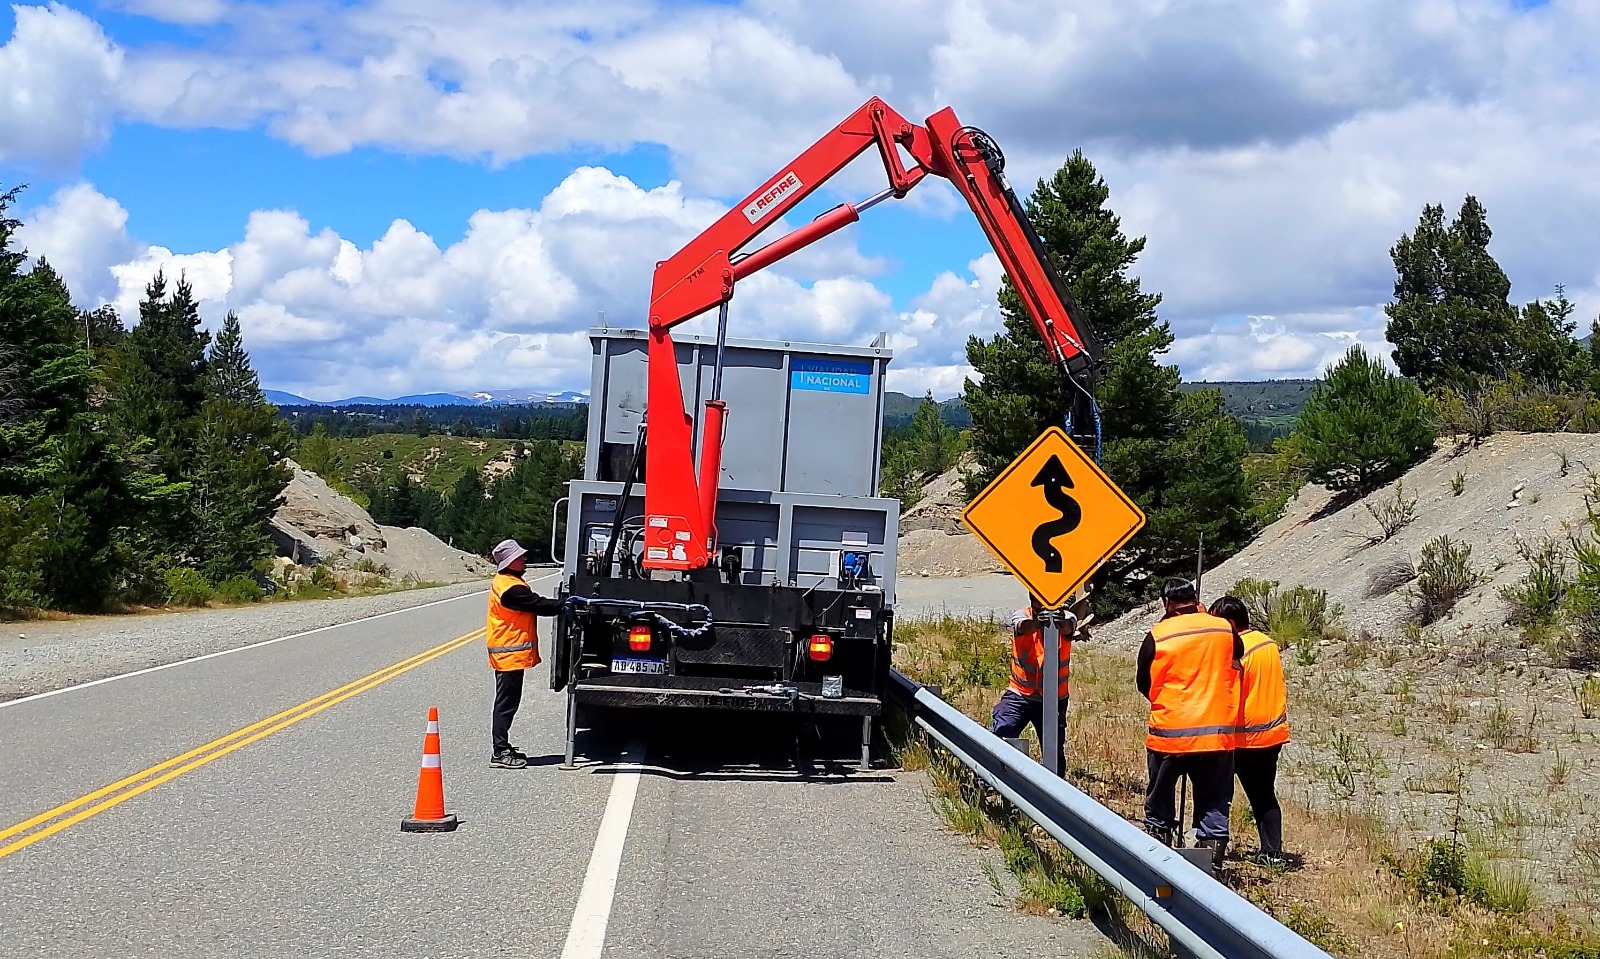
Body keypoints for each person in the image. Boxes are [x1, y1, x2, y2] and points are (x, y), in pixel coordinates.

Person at [1137, 578, 1243, 865]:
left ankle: (1158, 857)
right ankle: (1212, 866)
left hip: (1169, 734)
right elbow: (1237, 657)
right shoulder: (1223, 627)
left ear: (1167, 603)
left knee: (1159, 804)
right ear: (1196, 600)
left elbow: (1143, 683)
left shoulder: (1158, 634)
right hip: (1215, 736)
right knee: (1215, 803)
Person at [1209, 595, 1290, 860]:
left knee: (1218, 794)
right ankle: (1272, 853)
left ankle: (1213, 849)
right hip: (1272, 734)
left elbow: (1228, 693)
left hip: (1244, 738)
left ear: (1231, 623)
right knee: (1264, 796)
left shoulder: (1239, 651)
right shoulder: (1267, 643)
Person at [486, 539, 563, 769]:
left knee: (508, 701)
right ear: (510, 561)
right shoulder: (510, 589)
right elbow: (536, 604)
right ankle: (499, 751)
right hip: (508, 654)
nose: (525, 559)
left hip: (509, 653)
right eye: (521, 557)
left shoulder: (508, 582)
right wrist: (564, 605)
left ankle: (502, 746)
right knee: (506, 703)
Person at [990, 594, 1076, 775]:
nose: (1043, 607)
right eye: (1039, 602)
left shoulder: (1066, 618)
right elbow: (1021, 626)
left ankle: (1056, 792)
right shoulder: (1022, 616)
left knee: (1053, 751)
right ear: (1032, 601)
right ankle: (986, 780)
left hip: (1053, 699)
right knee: (1002, 731)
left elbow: (1069, 628)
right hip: (1020, 694)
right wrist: (1037, 622)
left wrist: (1060, 623)